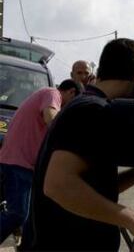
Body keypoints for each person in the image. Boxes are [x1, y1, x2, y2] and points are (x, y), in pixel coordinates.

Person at [21, 38, 134, 251]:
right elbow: (58, 185)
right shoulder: (91, 110)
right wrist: (132, 220)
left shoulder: (87, 104)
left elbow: (91, 186)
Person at [0, 79, 82, 244]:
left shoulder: (42, 94)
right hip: (20, 164)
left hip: (12, 160)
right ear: (71, 92)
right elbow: (51, 118)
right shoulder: (52, 93)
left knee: (24, 216)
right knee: (18, 213)